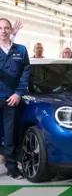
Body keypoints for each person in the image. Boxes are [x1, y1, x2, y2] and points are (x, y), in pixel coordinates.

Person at [0, 18, 30, 179]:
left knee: (10, 134)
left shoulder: (21, 50)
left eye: (6, 28)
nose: (3, 31)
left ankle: (12, 167)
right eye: (0, 28)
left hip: (12, 99)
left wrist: (18, 93)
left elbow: (25, 73)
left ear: (10, 30)